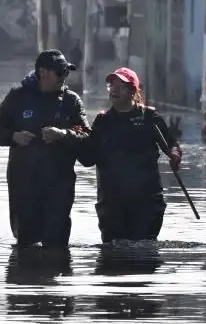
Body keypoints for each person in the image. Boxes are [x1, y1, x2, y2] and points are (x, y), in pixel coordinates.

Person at [0, 50, 90, 248]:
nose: (64, 77)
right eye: (60, 73)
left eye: (66, 72)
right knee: (26, 244)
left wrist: (63, 134)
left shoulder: (71, 101)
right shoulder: (18, 96)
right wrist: (13, 137)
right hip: (24, 183)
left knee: (57, 245)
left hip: (59, 183)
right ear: (43, 73)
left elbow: (86, 134)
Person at [78, 67, 182, 245]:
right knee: (113, 256)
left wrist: (174, 155)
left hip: (146, 202)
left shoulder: (149, 117)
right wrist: (74, 138)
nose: (114, 90)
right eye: (111, 85)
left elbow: (171, 144)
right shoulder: (103, 121)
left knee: (144, 252)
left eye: (121, 86)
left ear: (133, 91)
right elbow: (88, 159)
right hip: (112, 204)